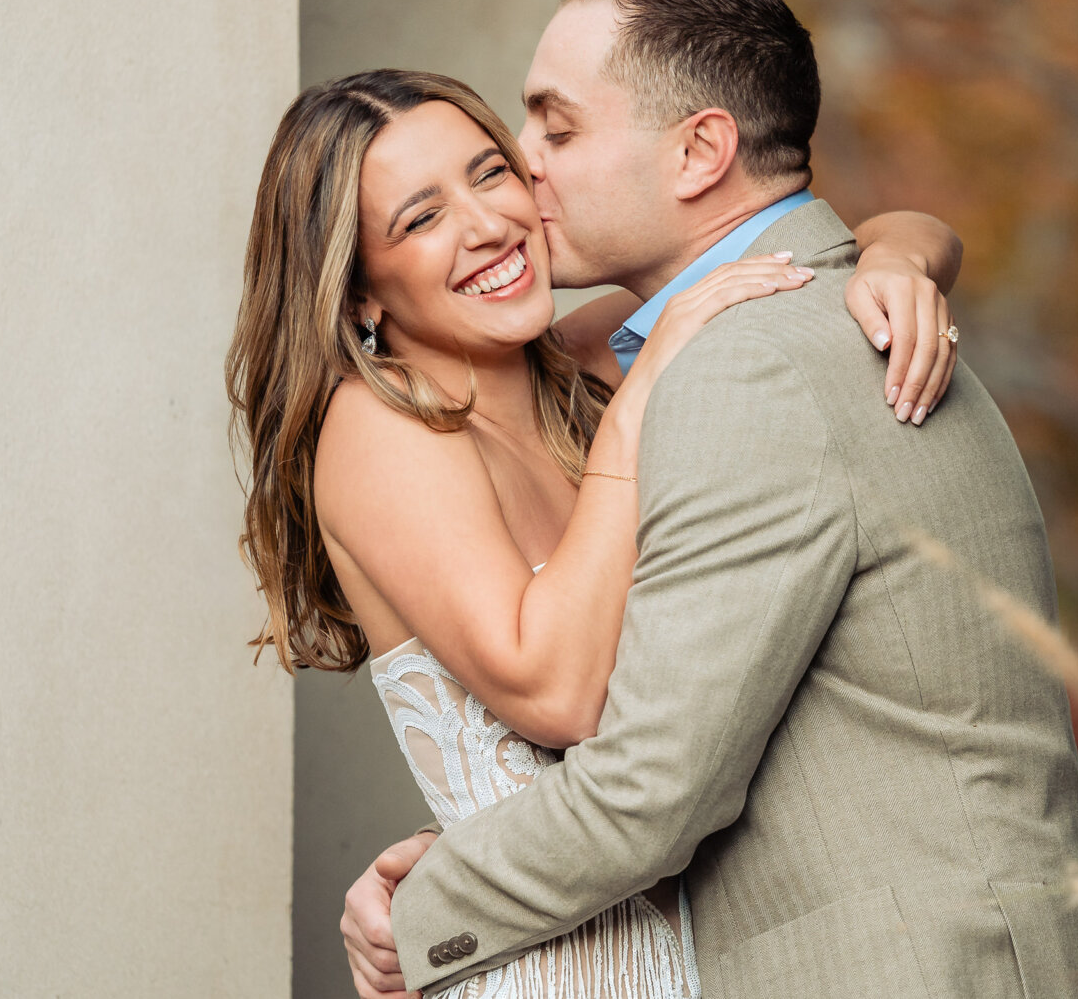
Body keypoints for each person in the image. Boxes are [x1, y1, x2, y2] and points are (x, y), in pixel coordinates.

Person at [338, 0, 1078, 999]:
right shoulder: (828, 309)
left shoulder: (745, 362)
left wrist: (418, 910)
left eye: (555, 131)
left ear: (702, 150)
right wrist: (899, 245)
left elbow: (653, 785)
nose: (524, 175)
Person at [227, 64, 964, 999]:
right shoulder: (381, 429)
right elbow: (562, 693)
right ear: (360, 293)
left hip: (709, 951)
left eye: (490, 173)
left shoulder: (590, 361)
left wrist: (900, 261)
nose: (488, 223)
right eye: (420, 218)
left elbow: (833, 237)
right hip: (547, 972)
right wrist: (642, 396)